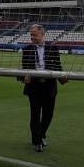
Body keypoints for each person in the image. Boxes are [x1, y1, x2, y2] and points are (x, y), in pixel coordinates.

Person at [20, 24, 68, 152]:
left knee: (48, 115)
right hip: (34, 88)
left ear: (42, 34)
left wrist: (62, 78)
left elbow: (58, 66)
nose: (32, 37)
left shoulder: (53, 48)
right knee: (35, 116)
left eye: (34, 34)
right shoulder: (27, 49)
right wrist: (23, 77)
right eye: (31, 34)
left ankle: (40, 135)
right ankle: (37, 141)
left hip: (49, 87)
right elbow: (23, 69)